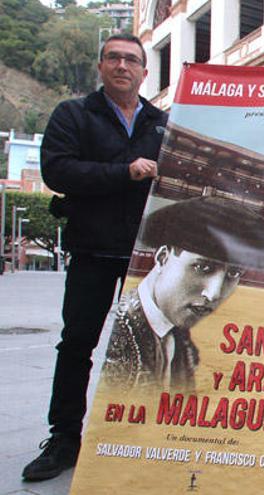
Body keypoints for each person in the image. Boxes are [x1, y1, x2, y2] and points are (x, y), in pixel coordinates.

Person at [23, 33, 167, 482]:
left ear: (145, 71)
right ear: (101, 66)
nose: (123, 66)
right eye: (114, 58)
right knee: (77, 345)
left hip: (146, 259)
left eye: (131, 60)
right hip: (93, 250)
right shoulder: (74, 114)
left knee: (153, 348)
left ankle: (145, 437)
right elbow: (57, 170)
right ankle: (65, 438)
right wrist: (123, 173)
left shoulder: (162, 123)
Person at [102, 196, 264, 391]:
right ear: (163, 258)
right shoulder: (123, 336)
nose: (213, 294)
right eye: (202, 267)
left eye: (234, 273)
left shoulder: (181, 341)